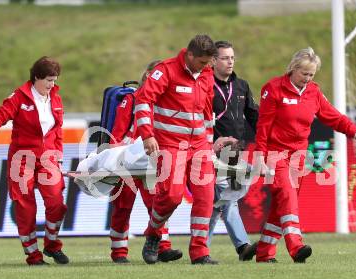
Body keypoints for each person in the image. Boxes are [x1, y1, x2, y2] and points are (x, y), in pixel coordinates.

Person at [254, 47, 356, 263]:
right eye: (304, 74)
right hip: (275, 155)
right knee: (287, 197)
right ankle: (296, 246)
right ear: (293, 69)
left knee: (282, 206)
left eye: (311, 75)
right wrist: (260, 157)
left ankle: (264, 252)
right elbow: (263, 126)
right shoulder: (273, 88)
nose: (307, 79)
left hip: (298, 158)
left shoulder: (314, 92)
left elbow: (334, 117)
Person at [134, 34, 218, 265]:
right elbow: (143, 100)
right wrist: (147, 134)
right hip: (171, 144)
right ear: (190, 55)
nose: (207, 66)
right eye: (202, 62)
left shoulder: (207, 74)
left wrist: (209, 143)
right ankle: (153, 232)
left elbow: (207, 111)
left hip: (200, 145)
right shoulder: (166, 70)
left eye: (209, 62)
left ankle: (200, 252)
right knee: (171, 196)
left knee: (206, 197)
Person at [0, 56, 69, 266]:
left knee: (57, 203)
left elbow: (57, 131)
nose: (52, 84)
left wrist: (58, 156)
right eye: (48, 80)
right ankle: (33, 255)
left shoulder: (55, 98)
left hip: (48, 160)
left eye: (54, 80)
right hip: (21, 160)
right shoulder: (19, 97)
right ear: (36, 77)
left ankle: (52, 245)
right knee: (25, 207)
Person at [108, 60, 183, 264]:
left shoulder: (166, 103)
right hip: (127, 160)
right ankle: (119, 252)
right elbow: (117, 132)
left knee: (157, 204)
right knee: (123, 206)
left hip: (151, 160)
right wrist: (116, 157)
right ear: (148, 75)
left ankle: (162, 247)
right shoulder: (132, 99)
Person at [208, 40, 259, 261]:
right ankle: (242, 246)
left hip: (236, 154)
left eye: (232, 57)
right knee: (226, 200)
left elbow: (254, 116)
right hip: (211, 153)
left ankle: (200, 247)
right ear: (213, 61)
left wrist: (266, 140)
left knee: (218, 203)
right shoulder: (204, 85)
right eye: (225, 58)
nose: (230, 62)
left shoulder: (242, 86)